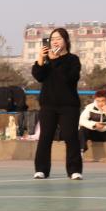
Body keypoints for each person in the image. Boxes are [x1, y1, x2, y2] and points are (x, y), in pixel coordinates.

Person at [32, 27, 83, 180]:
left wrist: (55, 60)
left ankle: (74, 170)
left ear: (66, 41)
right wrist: (41, 59)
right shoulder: (46, 60)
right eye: (52, 39)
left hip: (69, 105)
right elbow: (38, 76)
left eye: (58, 38)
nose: (55, 41)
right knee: (45, 137)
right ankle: (41, 169)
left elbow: (70, 78)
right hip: (48, 104)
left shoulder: (73, 60)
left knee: (70, 136)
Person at [78, 90, 106, 163]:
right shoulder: (90, 107)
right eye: (98, 101)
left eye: (103, 101)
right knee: (82, 129)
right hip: (94, 133)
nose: (100, 103)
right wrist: (94, 124)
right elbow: (81, 120)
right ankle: (80, 152)